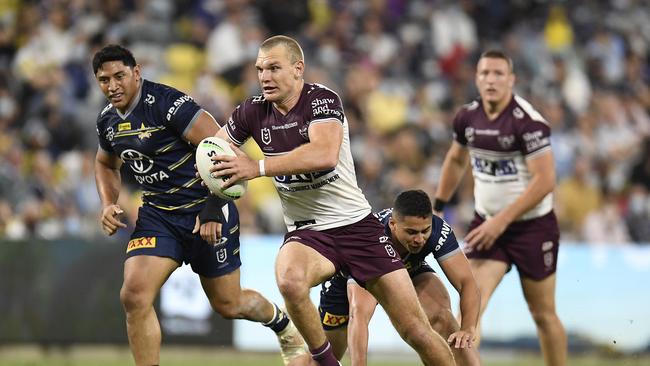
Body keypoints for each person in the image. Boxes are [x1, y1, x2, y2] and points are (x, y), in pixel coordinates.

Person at [209, 35, 455, 366]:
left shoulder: (322, 100)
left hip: (358, 227)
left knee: (416, 331)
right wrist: (210, 197)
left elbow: (324, 154)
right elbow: (213, 153)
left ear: (298, 69)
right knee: (289, 279)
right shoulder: (251, 112)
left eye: (274, 68)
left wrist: (257, 167)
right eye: (259, 69)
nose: (264, 76)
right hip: (309, 234)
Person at [92, 44, 309, 366]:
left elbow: (227, 152)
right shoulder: (107, 120)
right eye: (103, 79)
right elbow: (106, 164)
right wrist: (108, 203)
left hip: (207, 209)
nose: (112, 86)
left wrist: (211, 210)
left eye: (119, 76)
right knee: (134, 295)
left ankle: (282, 324)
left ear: (136, 73)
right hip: (159, 216)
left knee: (229, 304)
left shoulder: (170, 105)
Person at [434, 49, 567, 366]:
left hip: (532, 228)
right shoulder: (467, 117)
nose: (491, 80)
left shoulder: (528, 123)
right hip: (488, 226)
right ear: (476, 79)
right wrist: (439, 206)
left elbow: (545, 181)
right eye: (484, 73)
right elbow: (455, 159)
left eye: (498, 74)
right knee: (469, 311)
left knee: (543, 314)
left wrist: (500, 222)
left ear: (511, 80)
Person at [319, 190, 482, 366]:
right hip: (357, 276)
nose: (420, 239)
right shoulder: (371, 238)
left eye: (424, 231)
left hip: (408, 267)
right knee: (326, 359)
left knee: (442, 318)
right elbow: (358, 315)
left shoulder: (437, 229)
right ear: (393, 224)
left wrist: (468, 327)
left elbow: (467, 283)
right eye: (411, 232)